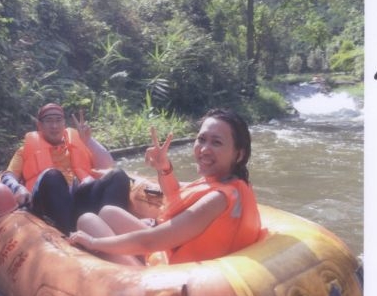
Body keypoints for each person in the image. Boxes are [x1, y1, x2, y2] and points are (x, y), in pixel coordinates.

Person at [68, 108, 261, 266]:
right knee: (108, 212)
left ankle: (133, 269)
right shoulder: (231, 183)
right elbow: (177, 195)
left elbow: (150, 241)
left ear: (239, 154)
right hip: (172, 254)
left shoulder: (218, 198)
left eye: (216, 142)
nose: (204, 149)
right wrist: (164, 167)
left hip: (172, 278)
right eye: (201, 139)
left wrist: (94, 242)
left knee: (87, 220)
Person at [1, 103, 130, 233]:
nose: (54, 126)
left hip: (77, 199)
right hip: (48, 203)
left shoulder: (80, 142)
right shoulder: (24, 151)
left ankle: (113, 229)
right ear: (40, 125)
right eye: (49, 121)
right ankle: (70, 235)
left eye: (58, 120)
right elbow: (8, 176)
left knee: (117, 175)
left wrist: (88, 141)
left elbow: (107, 164)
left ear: (64, 124)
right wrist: (18, 188)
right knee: (52, 176)